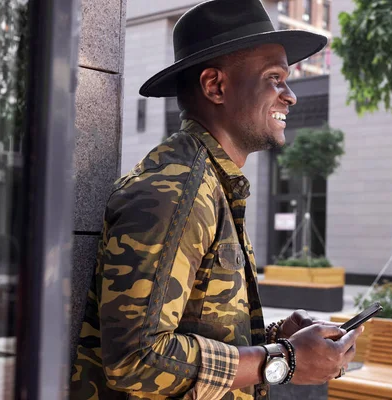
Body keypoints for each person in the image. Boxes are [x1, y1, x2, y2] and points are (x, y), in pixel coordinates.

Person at [70, 1, 363, 399]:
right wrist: (284, 359)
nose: (290, 95)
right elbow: (136, 359)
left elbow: (196, 326)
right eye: (274, 78)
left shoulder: (211, 182)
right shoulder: (174, 192)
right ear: (215, 86)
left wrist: (277, 337)